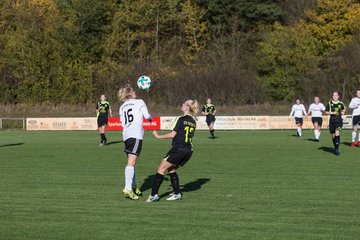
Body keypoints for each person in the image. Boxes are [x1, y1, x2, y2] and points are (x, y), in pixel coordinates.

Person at [146, 99, 198, 202]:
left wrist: (158, 136)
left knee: (160, 169)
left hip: (178, 149)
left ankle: (153, 195)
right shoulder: (193, 121)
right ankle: (177, 193)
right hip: (188, 150)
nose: (182, 105)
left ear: (187, 107)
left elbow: (172, 134)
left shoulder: (180, 119)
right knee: (171, 169)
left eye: (183, 104)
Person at [118, 84, 152, 200]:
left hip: (126, 135)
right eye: (133, 90)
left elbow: (122, 123)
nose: (135, 91)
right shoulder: (139, 102)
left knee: (131, 161)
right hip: (136, 134)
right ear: (130, 93)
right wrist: (150, 119)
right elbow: (147, 116)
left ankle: (133, 186)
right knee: (131, 162)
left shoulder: (122, 107)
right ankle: (127, 188)